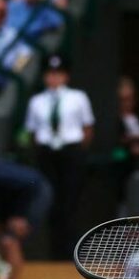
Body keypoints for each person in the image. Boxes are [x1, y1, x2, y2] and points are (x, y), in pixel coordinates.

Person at [24, 55, 94, 258]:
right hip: (47, 154)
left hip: (71, 152)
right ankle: (54, 252)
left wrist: (79, 151)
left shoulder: (78, 97)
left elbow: (88, 128)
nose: (54, 78)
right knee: (50, 202)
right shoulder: (36, 101)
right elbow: (32, 132)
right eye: (50, 74)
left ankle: (72, 251)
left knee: (70, 201)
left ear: (66, 76)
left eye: (58, 74)